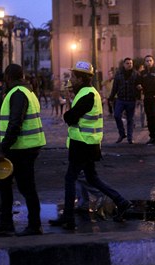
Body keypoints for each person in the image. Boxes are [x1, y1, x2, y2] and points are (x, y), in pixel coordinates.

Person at [49, 61, 132, 230]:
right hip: (88, 144)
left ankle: (68, 218)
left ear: (81, 79)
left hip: (82, 144)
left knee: (70, 178)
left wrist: (68, 113)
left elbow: (70, 118)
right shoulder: (88, 93)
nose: (71, 78)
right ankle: (121, 202)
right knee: (92, 178)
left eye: (73, 76)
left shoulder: (87, 94)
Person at [0, 64, 46, 236]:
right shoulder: (27, 92)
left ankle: (34, 225)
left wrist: (2, 149)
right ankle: (6, 222)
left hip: (22, 148)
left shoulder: (18, 94)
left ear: (8, 77)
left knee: (26, 187)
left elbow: (15, 123)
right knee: (4, 183)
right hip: (21, 147)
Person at [135, 55, 155, 145]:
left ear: (153, 62)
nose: (148, 62)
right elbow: (138, 83)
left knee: (154, 115)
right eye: (147, 61)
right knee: (149, 118)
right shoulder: (143, 73)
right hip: (147, 97)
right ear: (144, 62)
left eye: (150, 60)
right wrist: (138, 86)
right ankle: (152, 137)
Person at [109, 58, 138, 144]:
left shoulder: (135, 74)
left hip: (131, 99)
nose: (129, 65)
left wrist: (138, 97)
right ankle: (122, 134)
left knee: (130, 119)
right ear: (124, 64)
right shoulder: (119, 74)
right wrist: (111, 97)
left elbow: (138, 86)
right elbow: (115, 86)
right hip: (120, 99)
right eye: (127, 63)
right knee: (117, 115)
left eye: (131, 63)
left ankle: (130, 137)